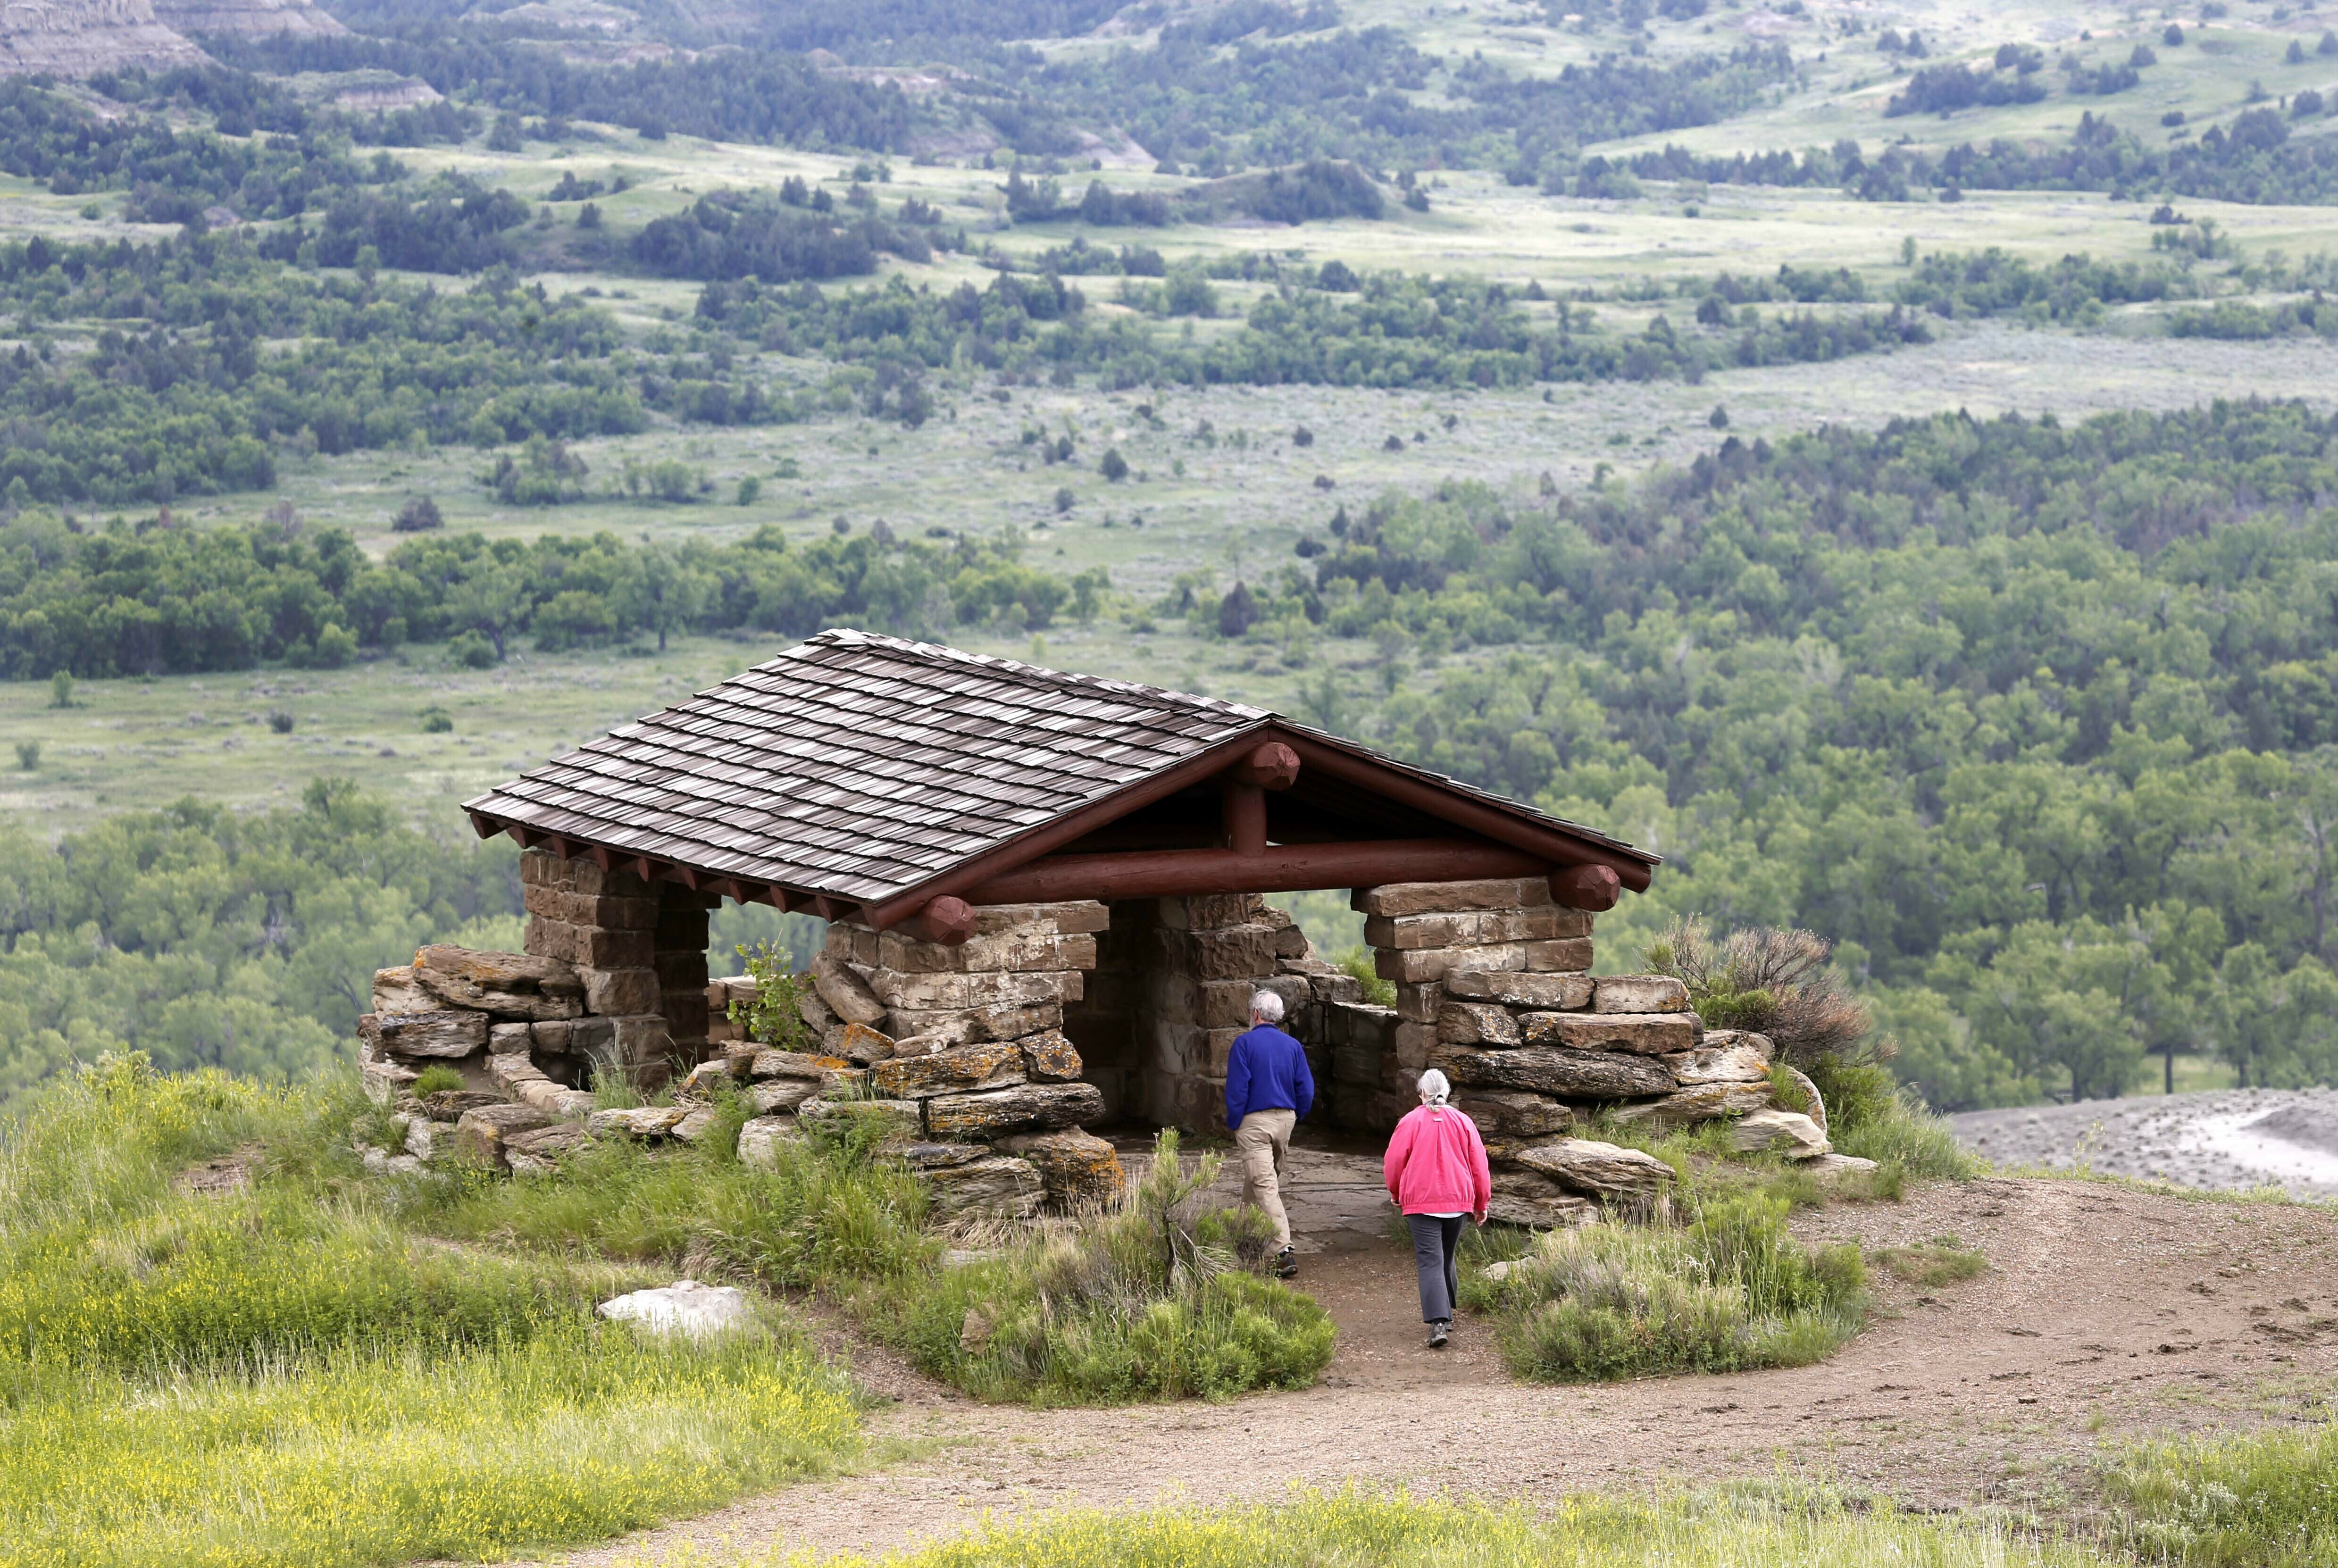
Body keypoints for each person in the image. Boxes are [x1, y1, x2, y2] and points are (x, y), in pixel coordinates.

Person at [1382, 1068, 1491, 1349]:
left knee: (1431, 1260)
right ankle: (1448, 1314)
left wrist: (1395, 1191)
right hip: (1458, 1200)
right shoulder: (1463, 1121)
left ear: (1422, 1094)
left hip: (1421, 1202)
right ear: (1448, 1093)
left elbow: (1394, 1162)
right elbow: (1479, 1166)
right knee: (1447, 1255)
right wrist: (1481, 1203)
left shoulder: (1410, 1122)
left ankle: (1438, 1322)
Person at [1224, 988, 1313, 1280]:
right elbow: (1306, 1089)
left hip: (1254, 1121)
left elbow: (1238, 1089)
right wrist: (1297, 1114)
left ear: (1256, 1014)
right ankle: (1244, 1237)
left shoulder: (1244, 1044)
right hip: (1285, 1121)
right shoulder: (1293, 1046)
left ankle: (1283, 1250)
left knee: (1264, 1184)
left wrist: (1235, 1121)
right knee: (1263, 1179)